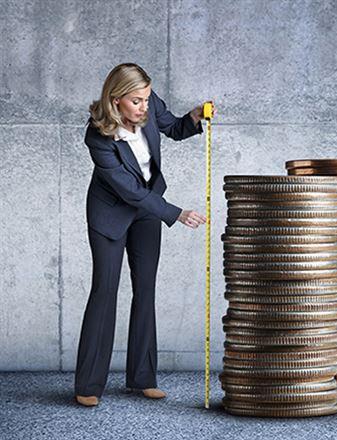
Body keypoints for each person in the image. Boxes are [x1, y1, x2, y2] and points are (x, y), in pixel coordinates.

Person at [74, 63, 213, 407]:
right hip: (111, 215)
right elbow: (127, 190)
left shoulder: (149, 105)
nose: (145, 108)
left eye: (147, 99)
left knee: (145, 290)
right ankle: (88, 385)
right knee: (104, 292)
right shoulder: (97, 135)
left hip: (146, 210)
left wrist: (194, 117)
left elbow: (175, 128)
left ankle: (142, 378)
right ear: (116, 100)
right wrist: (175, 213)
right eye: (137, 102)